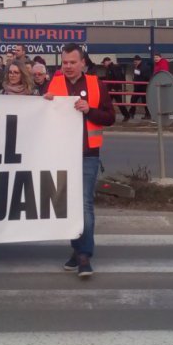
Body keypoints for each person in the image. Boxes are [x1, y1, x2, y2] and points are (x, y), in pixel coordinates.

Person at [44, 44, 116, 278]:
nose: (68, 66)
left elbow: (110, 118)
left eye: (72, 62)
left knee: (84, 204)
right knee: (67, 205)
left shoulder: (96, 85)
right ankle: (77, 251)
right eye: (64, 62)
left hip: (87, 155)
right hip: (61, 154)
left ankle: (84, 255)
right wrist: (43, 104)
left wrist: (89, 110)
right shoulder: (53, 85)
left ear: (83, 63)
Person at [129, 55, 152, 120]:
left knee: (143, 101)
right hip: (138, 87)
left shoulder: (144, 67)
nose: (134, 63)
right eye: (134, 62)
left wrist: (137, 78)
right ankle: (132, 113)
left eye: (136, 61)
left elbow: (146, 77)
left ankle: (147, 114)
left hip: (142, 87)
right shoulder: (137, 67)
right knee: (134, 100)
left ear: (139, 61)